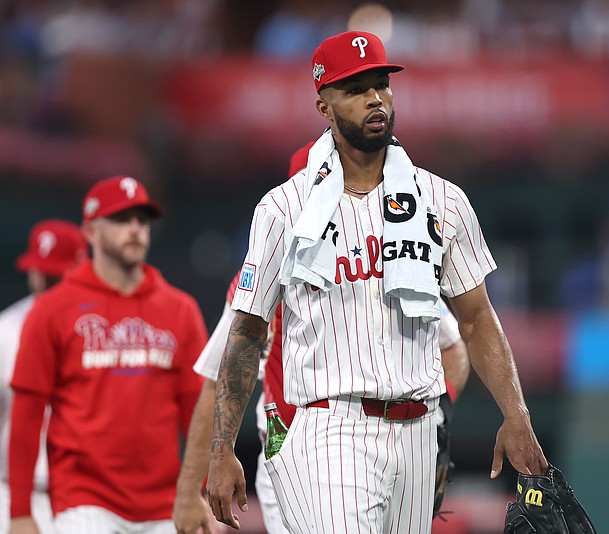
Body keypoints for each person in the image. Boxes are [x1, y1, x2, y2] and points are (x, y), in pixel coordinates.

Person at [207, 30, 548, 533]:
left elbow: (475, 320)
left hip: (417, 431)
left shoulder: (441, 200)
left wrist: (515, 413)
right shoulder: (284, 209)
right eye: (355, 88)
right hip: (328, 427)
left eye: (381, 84)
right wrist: (223, 449)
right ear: (324, 104)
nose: (374, 98)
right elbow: (247, 332)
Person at [172, 144, 471, 534]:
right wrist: (191, 486)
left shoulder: (390, 262)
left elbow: (454, 347)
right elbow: (216, 381)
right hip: (294, 444)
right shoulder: (259, 279)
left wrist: (438, 416)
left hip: (389, 440)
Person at [8, 175, 208, 533]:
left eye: (141, 220)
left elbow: (197, 410)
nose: (134, 229)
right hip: (83, 499)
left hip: (164, 501)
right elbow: (27, 414)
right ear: (90, 232)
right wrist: (21, 511)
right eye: (120, 219)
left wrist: (201, 492)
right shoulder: (52, 310)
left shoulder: (180, 309)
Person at [1, 219, 88, 533]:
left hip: (88, 494)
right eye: (40, 271)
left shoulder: (101, 328)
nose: (43, 280)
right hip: (14, 490)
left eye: (55, 276)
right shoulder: (7, 329)